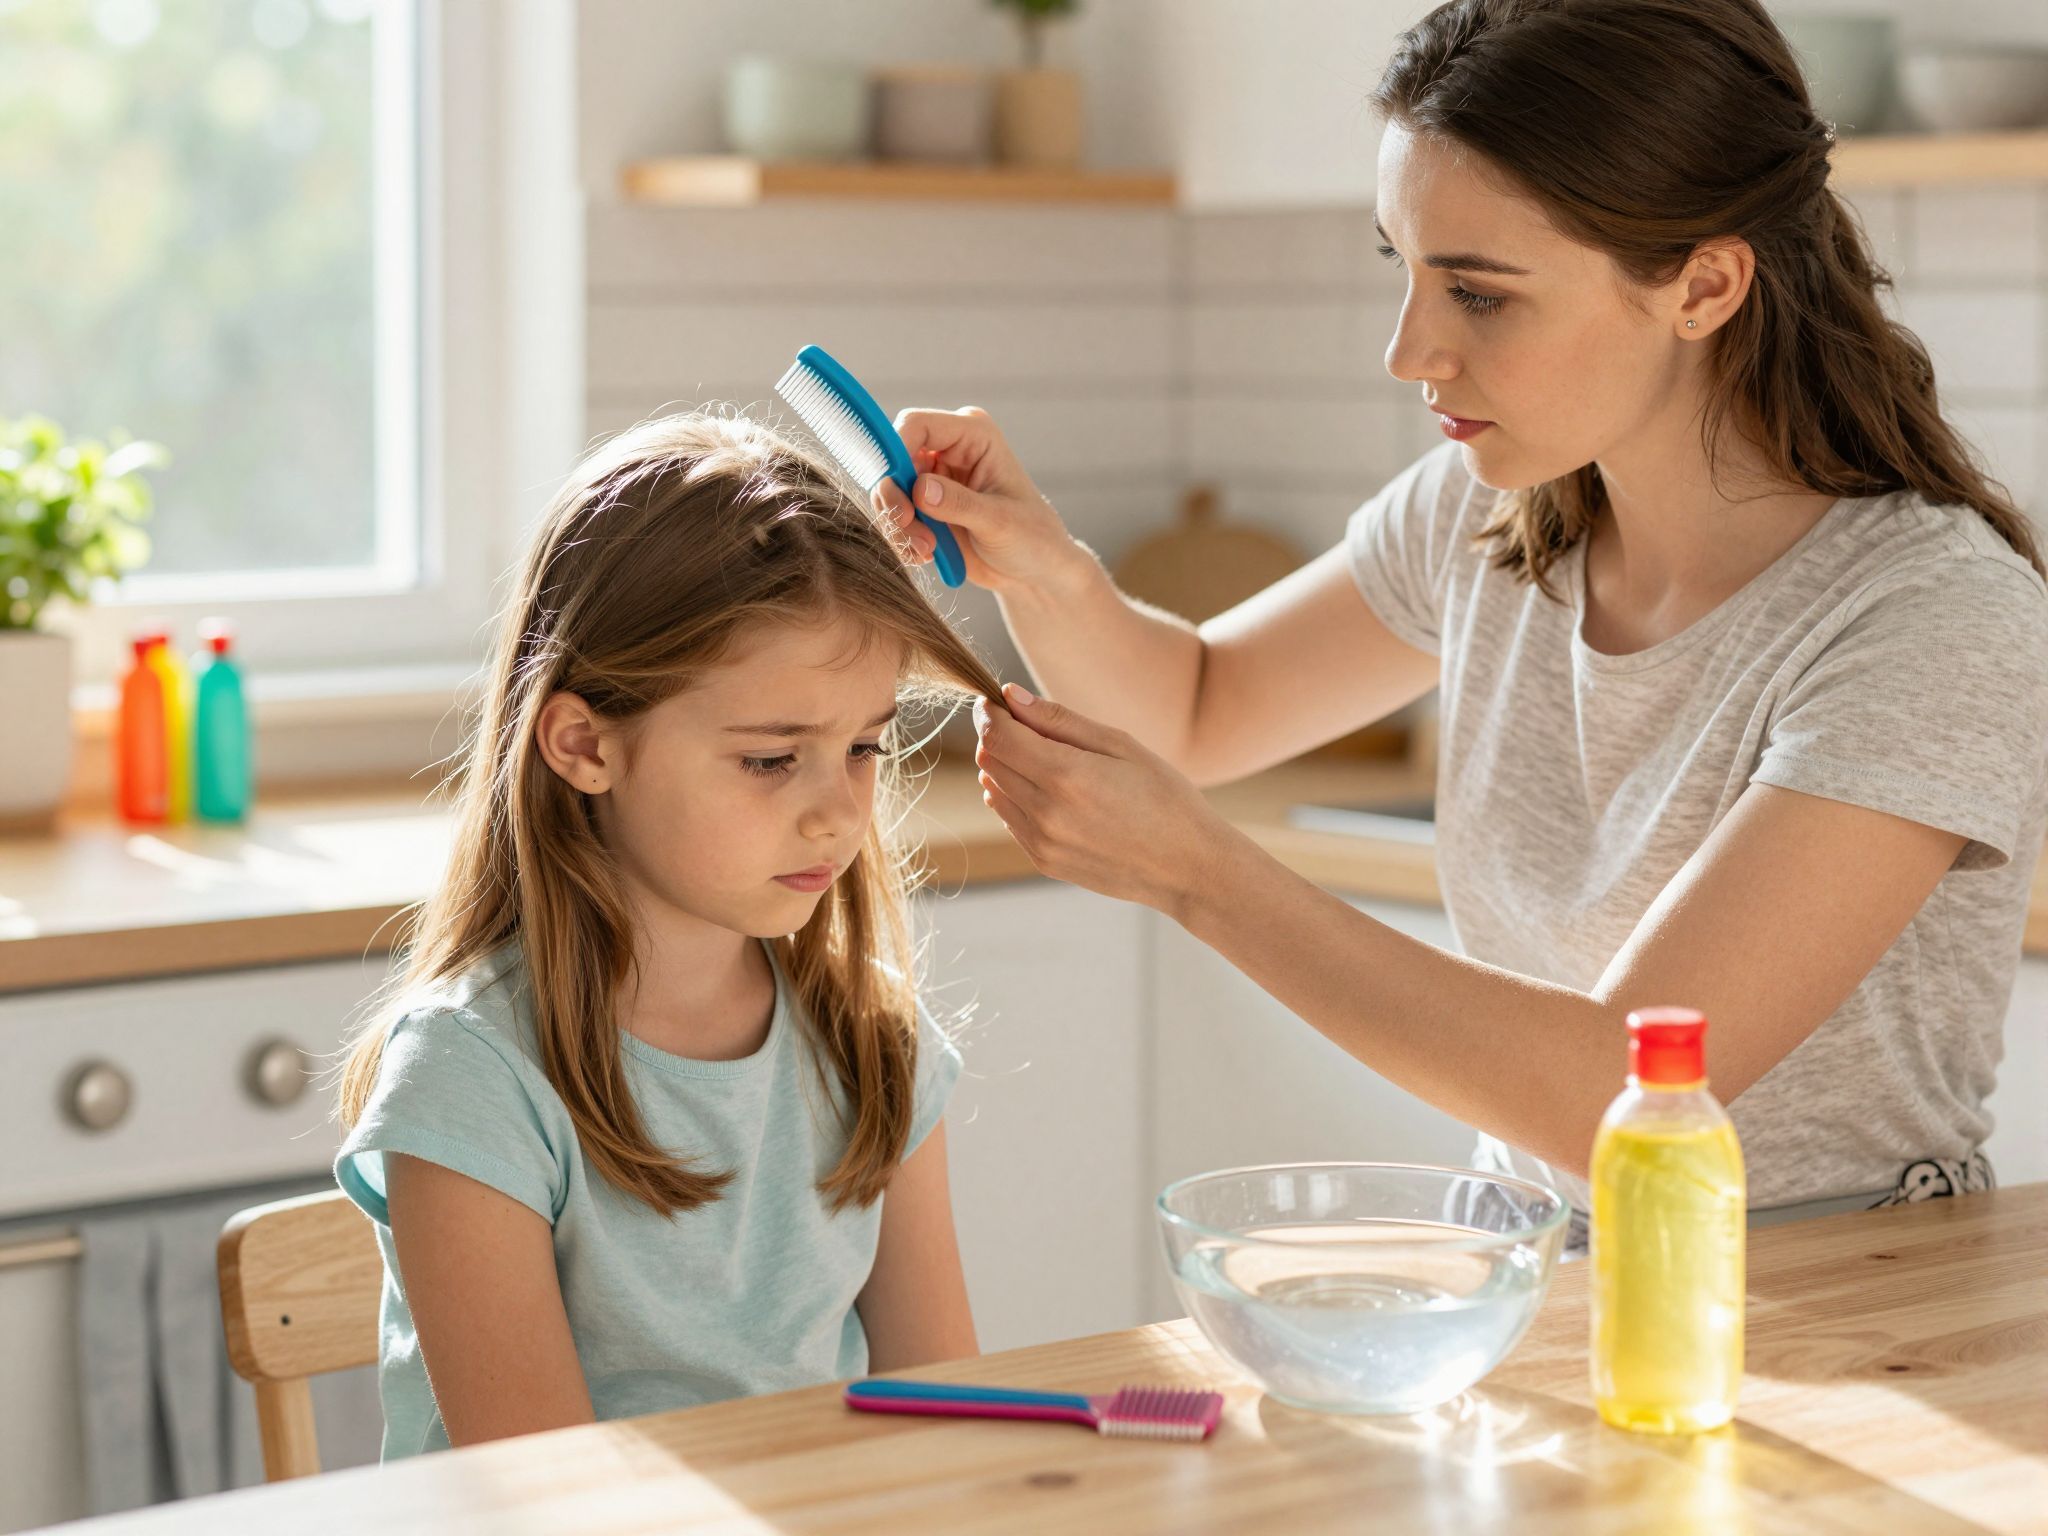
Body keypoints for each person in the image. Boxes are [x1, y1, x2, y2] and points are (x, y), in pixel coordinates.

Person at [877, 0, 2048, 1244]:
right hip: (1537, 1284)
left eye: (1478, 295)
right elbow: (1196, 710)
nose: (1408, 352)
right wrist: (1041, 566)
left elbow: (1622, 1087)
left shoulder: (1929, 619)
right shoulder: (1488, 514)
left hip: (1843, 1316)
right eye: (1405, 268)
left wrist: (1197, 874)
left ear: (1702, 285)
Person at [334, 413, 997, 1456]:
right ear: (583, 744)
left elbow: (946, 1427)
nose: (837, 811)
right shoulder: (472, 1077)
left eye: (864, 745)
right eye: (772, 759)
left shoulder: (876, 1044)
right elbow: (547, 1501)